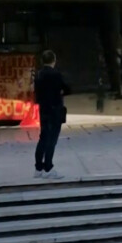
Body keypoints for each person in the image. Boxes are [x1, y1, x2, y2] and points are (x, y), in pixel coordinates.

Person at [34, 50, 70, 179]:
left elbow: (36, 93)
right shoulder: (56, 74)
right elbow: (67, 88)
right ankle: (48, 167)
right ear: (54, 60)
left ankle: (38, 168)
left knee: (43, 138)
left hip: (43, 109)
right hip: (55, 109)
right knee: (52, 139)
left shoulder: (38, 74)